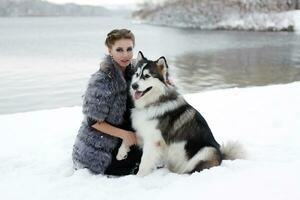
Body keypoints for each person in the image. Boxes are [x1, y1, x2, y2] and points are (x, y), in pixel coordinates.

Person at [72, 29, 142, 176]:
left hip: (129, 136)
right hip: (100, 148)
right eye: (119, 50)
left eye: (129, 49)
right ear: (110, 51)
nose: (125, 55)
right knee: (133, 167)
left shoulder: (135, 72)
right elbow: (93, 121)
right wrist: (126, 135)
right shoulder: (101, 80)